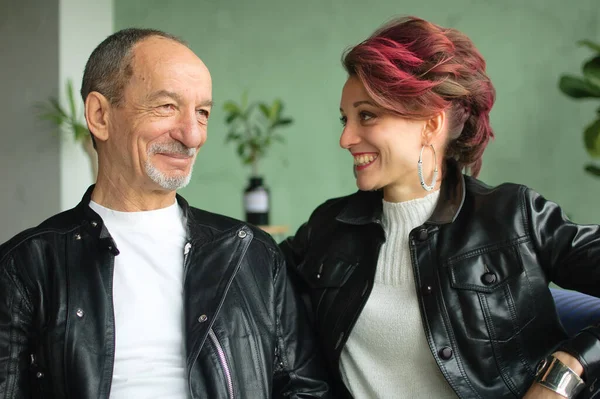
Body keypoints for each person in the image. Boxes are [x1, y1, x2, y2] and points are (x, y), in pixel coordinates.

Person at [280, 16, 600, 399]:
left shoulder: (513, 217)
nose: (346, 138)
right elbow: (249, 286)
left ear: (431, 124)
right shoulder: (328, 228)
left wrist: (567, 367)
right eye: (345, 119)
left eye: (367, 115)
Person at [0, 28, 330, 398]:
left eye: (202, 112)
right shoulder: (25, 265)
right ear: (100, 115)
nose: (192, 135)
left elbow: (305, 390)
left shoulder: (251, 253)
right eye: (167, 106)